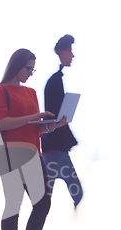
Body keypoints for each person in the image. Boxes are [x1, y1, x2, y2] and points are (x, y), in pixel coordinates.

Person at [0, 48, 67, 230]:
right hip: (9, 153)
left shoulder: (31, 92)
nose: (31, 73)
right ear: (16, 66)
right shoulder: (0, 91)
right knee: (13, 204)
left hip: (33, 154)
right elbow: (1, 123)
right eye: (28, 68)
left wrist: (53, 125)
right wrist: (33, 117)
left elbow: (33, 128)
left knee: (42, 203)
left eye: (33, 69)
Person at [41, 34, 83, 210]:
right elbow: (56, 116)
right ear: (61, 52)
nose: (72, 55)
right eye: (70, 51)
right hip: (55, 146)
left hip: (54, 145)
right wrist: (69, 139)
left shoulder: (56, 80)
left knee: (46, 196)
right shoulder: (55, 81)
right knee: (74, 192)